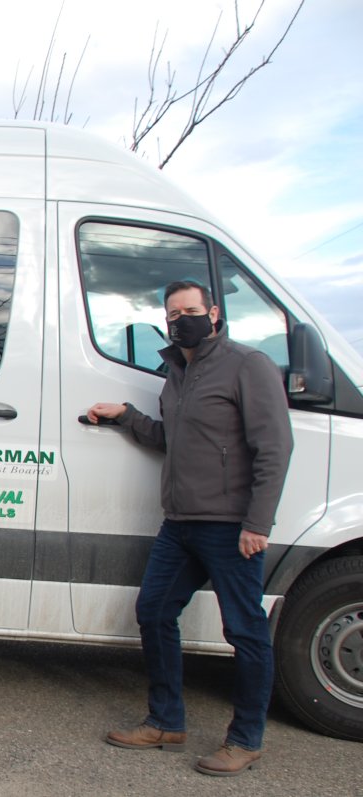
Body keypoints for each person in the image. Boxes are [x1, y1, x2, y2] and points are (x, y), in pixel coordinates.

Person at [87, 280, 293, 777]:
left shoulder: (248, 365)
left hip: (230, 527)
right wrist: (127, 417)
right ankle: (166, 722)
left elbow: (275, 447)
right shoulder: (176, 372)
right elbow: (173, 439)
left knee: (244, 632)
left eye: (191, 311)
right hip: (179, 523)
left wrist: (257, 522)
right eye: (173, 314)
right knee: (154, 612)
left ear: (215, 314)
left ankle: (245, 739)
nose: (182, 320)